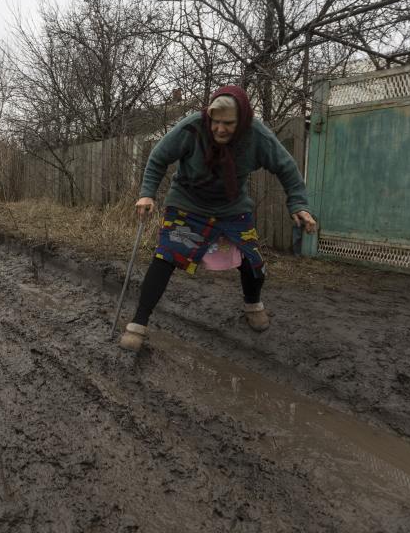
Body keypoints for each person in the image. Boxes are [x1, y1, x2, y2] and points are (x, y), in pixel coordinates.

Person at [119, 85, 317, 352]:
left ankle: (253, 304)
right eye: (216, 122)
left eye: (229, 123)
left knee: (252, 261)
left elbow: (287, 168)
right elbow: (158, 158)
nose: (220, 129)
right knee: (165, 257)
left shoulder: (256, 135)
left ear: (243, 120)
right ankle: (138, 323)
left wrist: (298, 204)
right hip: (187, 203)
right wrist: (147, 194)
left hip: (232, 208)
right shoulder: (192, 128)